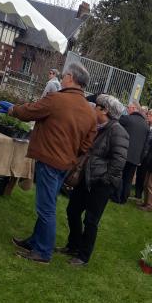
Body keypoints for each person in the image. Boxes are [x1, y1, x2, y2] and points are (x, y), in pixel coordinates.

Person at [9, 62, 97, 264]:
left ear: (71, 79)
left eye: (65, 75)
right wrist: (73, 156)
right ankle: (35, 242)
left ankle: (43, 252)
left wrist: (13, 110)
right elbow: (87, 144)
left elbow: (30, 111)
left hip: (50, 161)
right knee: (48, 204)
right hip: (66, 164)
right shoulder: (90, 111)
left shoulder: (58, 99)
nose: (63, 78)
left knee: (46, 208)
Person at [59, 95, 128, 266]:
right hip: (85, 178)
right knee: (72, 211)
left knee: (91, 220)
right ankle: (73, 245)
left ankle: (83, 256)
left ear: (105, 110)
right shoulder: (96, 126)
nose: (93, 108)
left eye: (96, 106)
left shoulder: (118, 131)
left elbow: (118, 162)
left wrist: (104, 180)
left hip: (100, 184)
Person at [116, 102, 149, 203]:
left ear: (134, 108)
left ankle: (116, 196)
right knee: (128, 179)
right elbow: (145, 145)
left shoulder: (126, 119)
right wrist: (140, 159)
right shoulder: (146, 125)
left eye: (128, 107)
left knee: (119, 175)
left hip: (123, 153)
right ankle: (124, 198)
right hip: (135, 158)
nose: (127, 109)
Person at [134, 108, 152, 200]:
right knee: (139, 174)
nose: (148, 116)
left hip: (147, 155)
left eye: (150, 115)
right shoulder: (146, 125)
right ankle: (137, 193)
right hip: (141, 152)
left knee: (142, 176)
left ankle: (139, 194)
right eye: (148, 114)